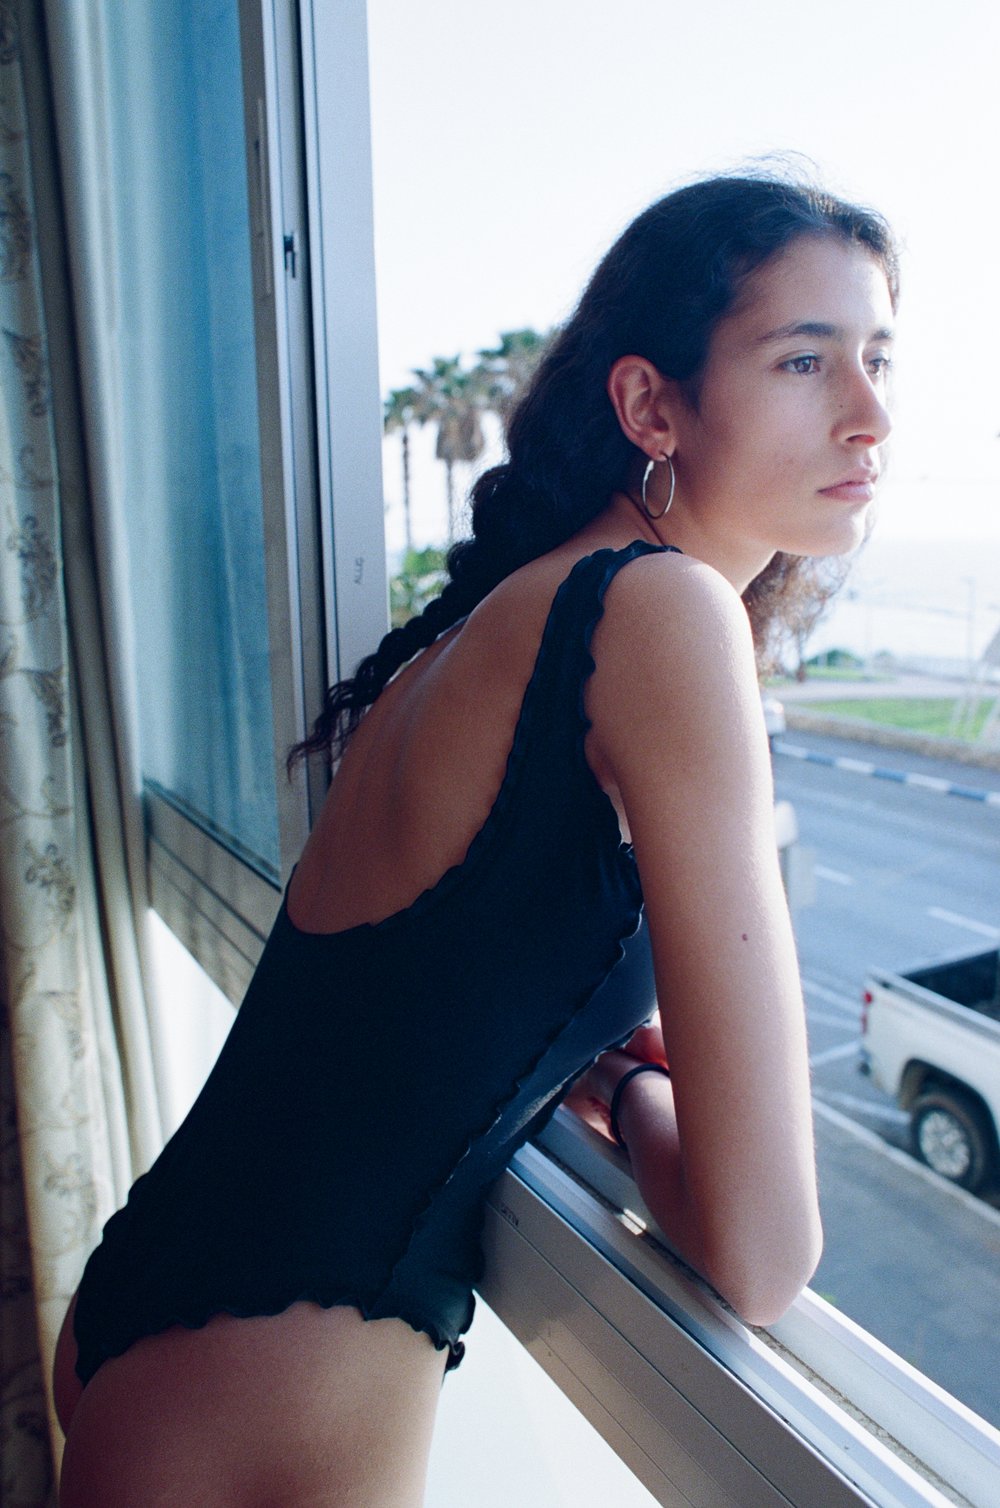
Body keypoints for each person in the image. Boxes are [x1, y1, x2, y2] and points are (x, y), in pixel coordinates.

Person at [54, 171, 897, 1507]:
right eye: (805, 360)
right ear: (651, 407)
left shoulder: (505, 615)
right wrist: (631, 1091)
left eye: (876, 357)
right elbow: (763, 1252)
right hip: (271, 1397)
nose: (870, 413)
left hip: (166, 1314)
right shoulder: (664, 616)